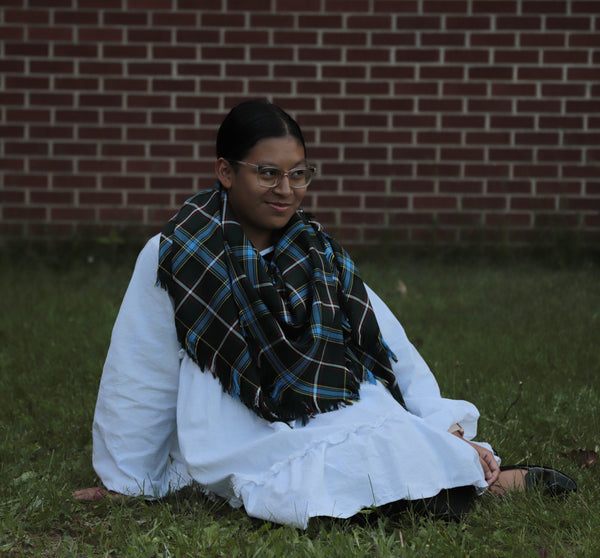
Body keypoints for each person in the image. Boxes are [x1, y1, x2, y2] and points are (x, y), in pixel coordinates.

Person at [74, 100, 576, 527]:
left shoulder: (317, 249)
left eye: (299, 174)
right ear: (226, 171)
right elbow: (141, 367)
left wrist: (439, 420)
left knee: (393, 441)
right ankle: (448, 492)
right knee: (298, 483)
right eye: (267, 172)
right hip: (242, 413)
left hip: (328, 391)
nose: (286, 189)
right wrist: (127, 479)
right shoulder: (178, 252)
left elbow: (382, 338)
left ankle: (474, 480)